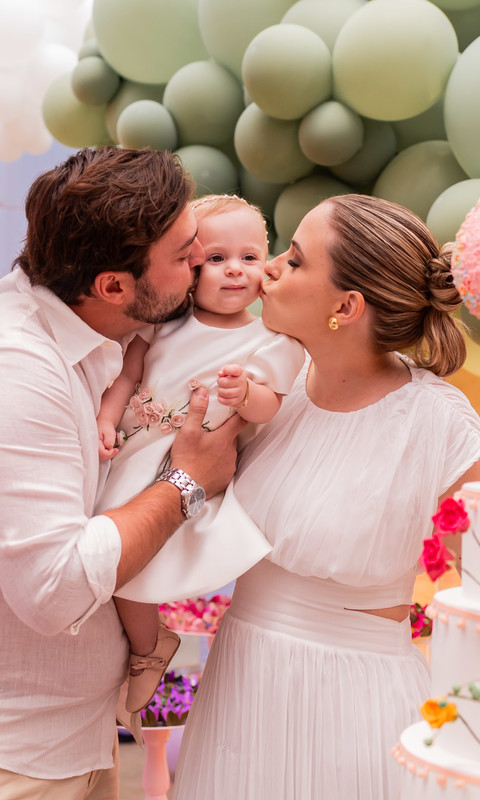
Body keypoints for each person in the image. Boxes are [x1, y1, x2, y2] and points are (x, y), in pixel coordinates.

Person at [0, 147, 246, 800]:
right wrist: (186, 482)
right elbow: (52, 589)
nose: (202, 263)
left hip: (66, 735)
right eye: (185, 256)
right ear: (114, 286)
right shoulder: (7, 365)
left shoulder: (112, 334)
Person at [171, 194, 480, 799]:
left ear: (346, 306)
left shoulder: (438, 422)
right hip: (240, 687)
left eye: (294, 261)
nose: (268, 267)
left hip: (355, 707)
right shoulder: (268, 386)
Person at [94, 195, 304, 713]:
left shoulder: (271, 339)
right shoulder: (164, 323)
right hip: (139, 451)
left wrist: (243, 395)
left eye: (250, 258)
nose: (235, 270)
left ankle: (146, 652)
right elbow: (127, 376)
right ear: (190, 268)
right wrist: (105, 417)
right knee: (117, 556)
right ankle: (149, 646)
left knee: (138, 560)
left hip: (197, 464)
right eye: (216, 259)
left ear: (266, 265)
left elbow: (268, 406)